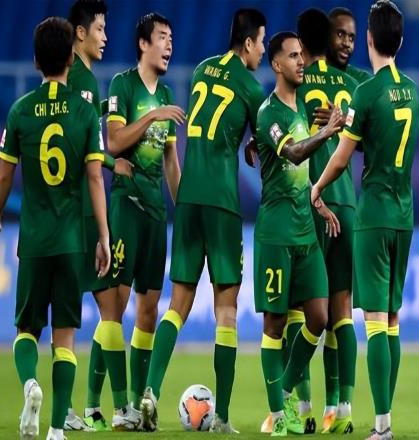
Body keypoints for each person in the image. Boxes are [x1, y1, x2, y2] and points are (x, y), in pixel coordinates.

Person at [140, 8, 267, 433]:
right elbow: (267, 141)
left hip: (189, 197)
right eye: (261, 43)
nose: (263, 52)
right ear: (247, 43)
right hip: (222, 201)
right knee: (226, 311)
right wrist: (254, 145)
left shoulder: (200, 70)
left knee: (177, 305)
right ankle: (223, 418)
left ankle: (151, 390)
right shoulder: (251, 87)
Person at [0, 17, 110, 440]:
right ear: (71, 57)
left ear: (36, 61)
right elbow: (95, 178)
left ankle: (29, 385)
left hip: (35, 241)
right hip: (73, 242)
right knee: (65, 338)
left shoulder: (20, 110)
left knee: (26, 330)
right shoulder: (85, 111)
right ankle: (57, 430)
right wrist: (103, 236)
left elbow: (4, 175)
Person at [311, 2, 419, 439]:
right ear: (401, 41)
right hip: (405, 215)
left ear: (370, 39)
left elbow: (341, 159)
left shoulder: (367, 92)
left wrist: (317, 188)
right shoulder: (412, 91)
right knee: (392, 319)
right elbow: (381, 141)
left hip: (373, 214)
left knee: (374, 320)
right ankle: (385, 420)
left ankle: (381, 426)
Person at [255, 31, 344, 437]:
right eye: (292, 56)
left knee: (319, 317)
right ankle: (278, 415)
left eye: (301, 55)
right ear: (276, 65)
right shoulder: (269, 113)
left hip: (306, 231)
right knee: (274, 324)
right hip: (276, 232)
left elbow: (301, 168)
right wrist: (325, 133)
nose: (300, 61)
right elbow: (292, 153)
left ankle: (285, 392)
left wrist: (317, 200)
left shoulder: (304, 108)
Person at [106, 12, 184, 431]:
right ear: (143, 44)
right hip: (126, 206)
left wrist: (182, 208)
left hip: (156, 214)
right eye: (162, 37)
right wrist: (152, 117)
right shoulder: (123, 86)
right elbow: (114, 141)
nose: (169, 45)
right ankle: (109, 405)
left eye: (171, 38)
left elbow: (170, 160)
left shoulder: (167, 92)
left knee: (148, 311)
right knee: (114, 308)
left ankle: (138, 405)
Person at [66, 0, 134, 432]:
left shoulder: (73, 77)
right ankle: (119, 406)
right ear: (80, 32)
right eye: (100, 29)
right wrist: (113, 163)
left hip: (61, 212)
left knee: (88, 310)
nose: (105, 37)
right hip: (81, 211)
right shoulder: (83, 81)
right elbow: (82, 145)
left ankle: (88, 408)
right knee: (106, 308)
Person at [297, 8, 359, 434]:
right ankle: (341, 407)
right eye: (342, 36)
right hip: (347, 203)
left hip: (310, 202)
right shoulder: (354, 87)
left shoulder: (298, 82)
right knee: (342, 312)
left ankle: (300, 408)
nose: (347, 43)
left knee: (300, 312)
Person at [327, 7, 372, 84]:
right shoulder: (308, 75)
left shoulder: (362, 81)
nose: (347, 43)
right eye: (340, 34)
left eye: (351, 38)